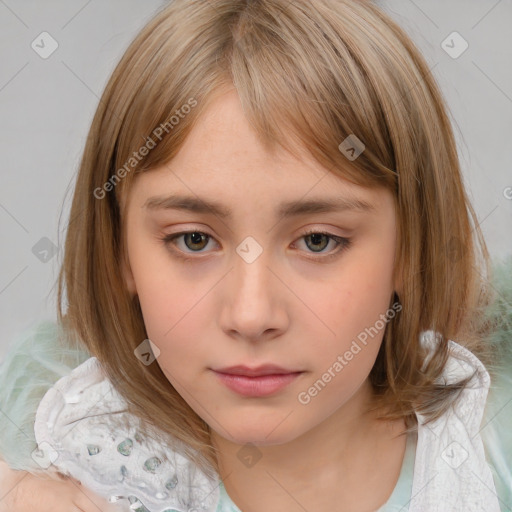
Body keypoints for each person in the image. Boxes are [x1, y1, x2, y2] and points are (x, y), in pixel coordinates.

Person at [0, 0, 511, 510]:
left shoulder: (487, 461)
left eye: (318, 241)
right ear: (118, 254)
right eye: (193, 240)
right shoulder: (69, 478)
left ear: (412, 249)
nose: (251, 315)